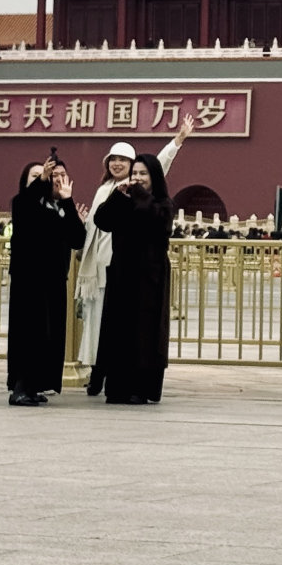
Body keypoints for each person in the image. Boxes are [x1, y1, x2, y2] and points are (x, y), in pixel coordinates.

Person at [76, 118, 193, 391]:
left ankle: (113, 376)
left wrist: (177, 140)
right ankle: (98, 372)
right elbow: (100, 221)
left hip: (141, 273)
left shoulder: (142, 194)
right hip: (105, 268)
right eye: (112, 159)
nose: (117, 164)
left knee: (134, 328)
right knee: (101, 325)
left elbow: (158, 164)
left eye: (123, 160)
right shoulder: (108, 190)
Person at [92, 154, 174, 405]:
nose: (137, 179)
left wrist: (139, 195)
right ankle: (117, 387)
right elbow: (101, 221)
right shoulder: (125, 200)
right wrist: (117, 196)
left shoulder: (162, 203)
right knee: (118, 330)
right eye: (135, 174)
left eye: (143, 174)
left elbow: (159, 223)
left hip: (149, 278)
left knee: (144, 332)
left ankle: (142, 388)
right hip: (122, 274)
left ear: (154, 177)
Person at [7, 156, 86, 406]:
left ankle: (35, 385)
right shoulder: (23, 205)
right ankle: (20, 387)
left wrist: (68, 201)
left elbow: (77, 239)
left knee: (48, 336)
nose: (46, 179)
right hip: (28, 282)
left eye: (50, 175)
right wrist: (41, 182)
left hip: (53, 281)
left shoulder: (59, 208)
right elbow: (28, 207)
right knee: (28, 334)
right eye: (36, 176)